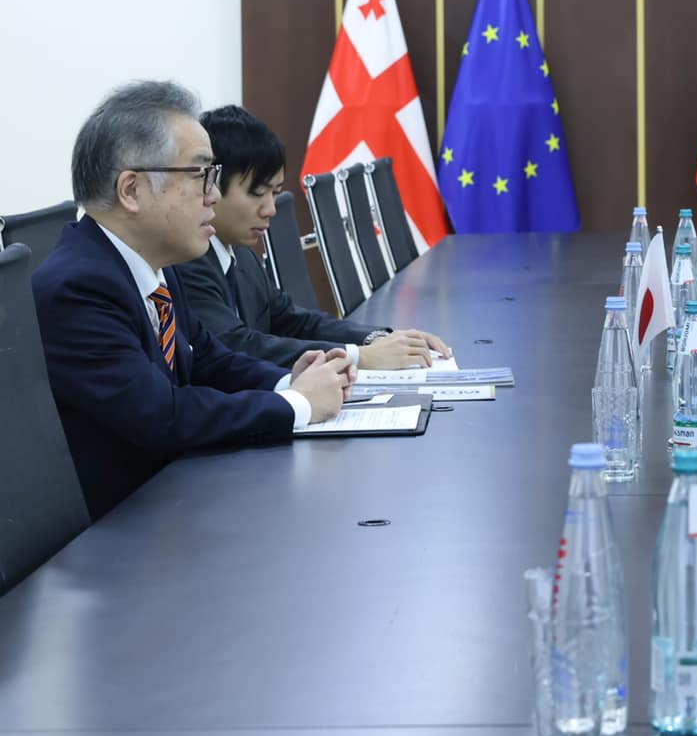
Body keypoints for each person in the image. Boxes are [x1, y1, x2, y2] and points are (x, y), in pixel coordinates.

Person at [33, 80, 354, 517]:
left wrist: (289, 380)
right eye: (202, 175)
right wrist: (297, 404)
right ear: (132, 191)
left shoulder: (154, 266)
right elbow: (162, 415)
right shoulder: (79, 288)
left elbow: (209, 360)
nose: (214, 195)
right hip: (107, 529)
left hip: (163, 503)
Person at [176, 104, 449, 370]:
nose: (271, 209)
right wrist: (359, 356)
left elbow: (291, 320)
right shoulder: (188, 261)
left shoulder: (240, 252)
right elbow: (236, 345)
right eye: (258, 193)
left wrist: (376, 339)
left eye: (275, 192)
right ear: (211, 186)